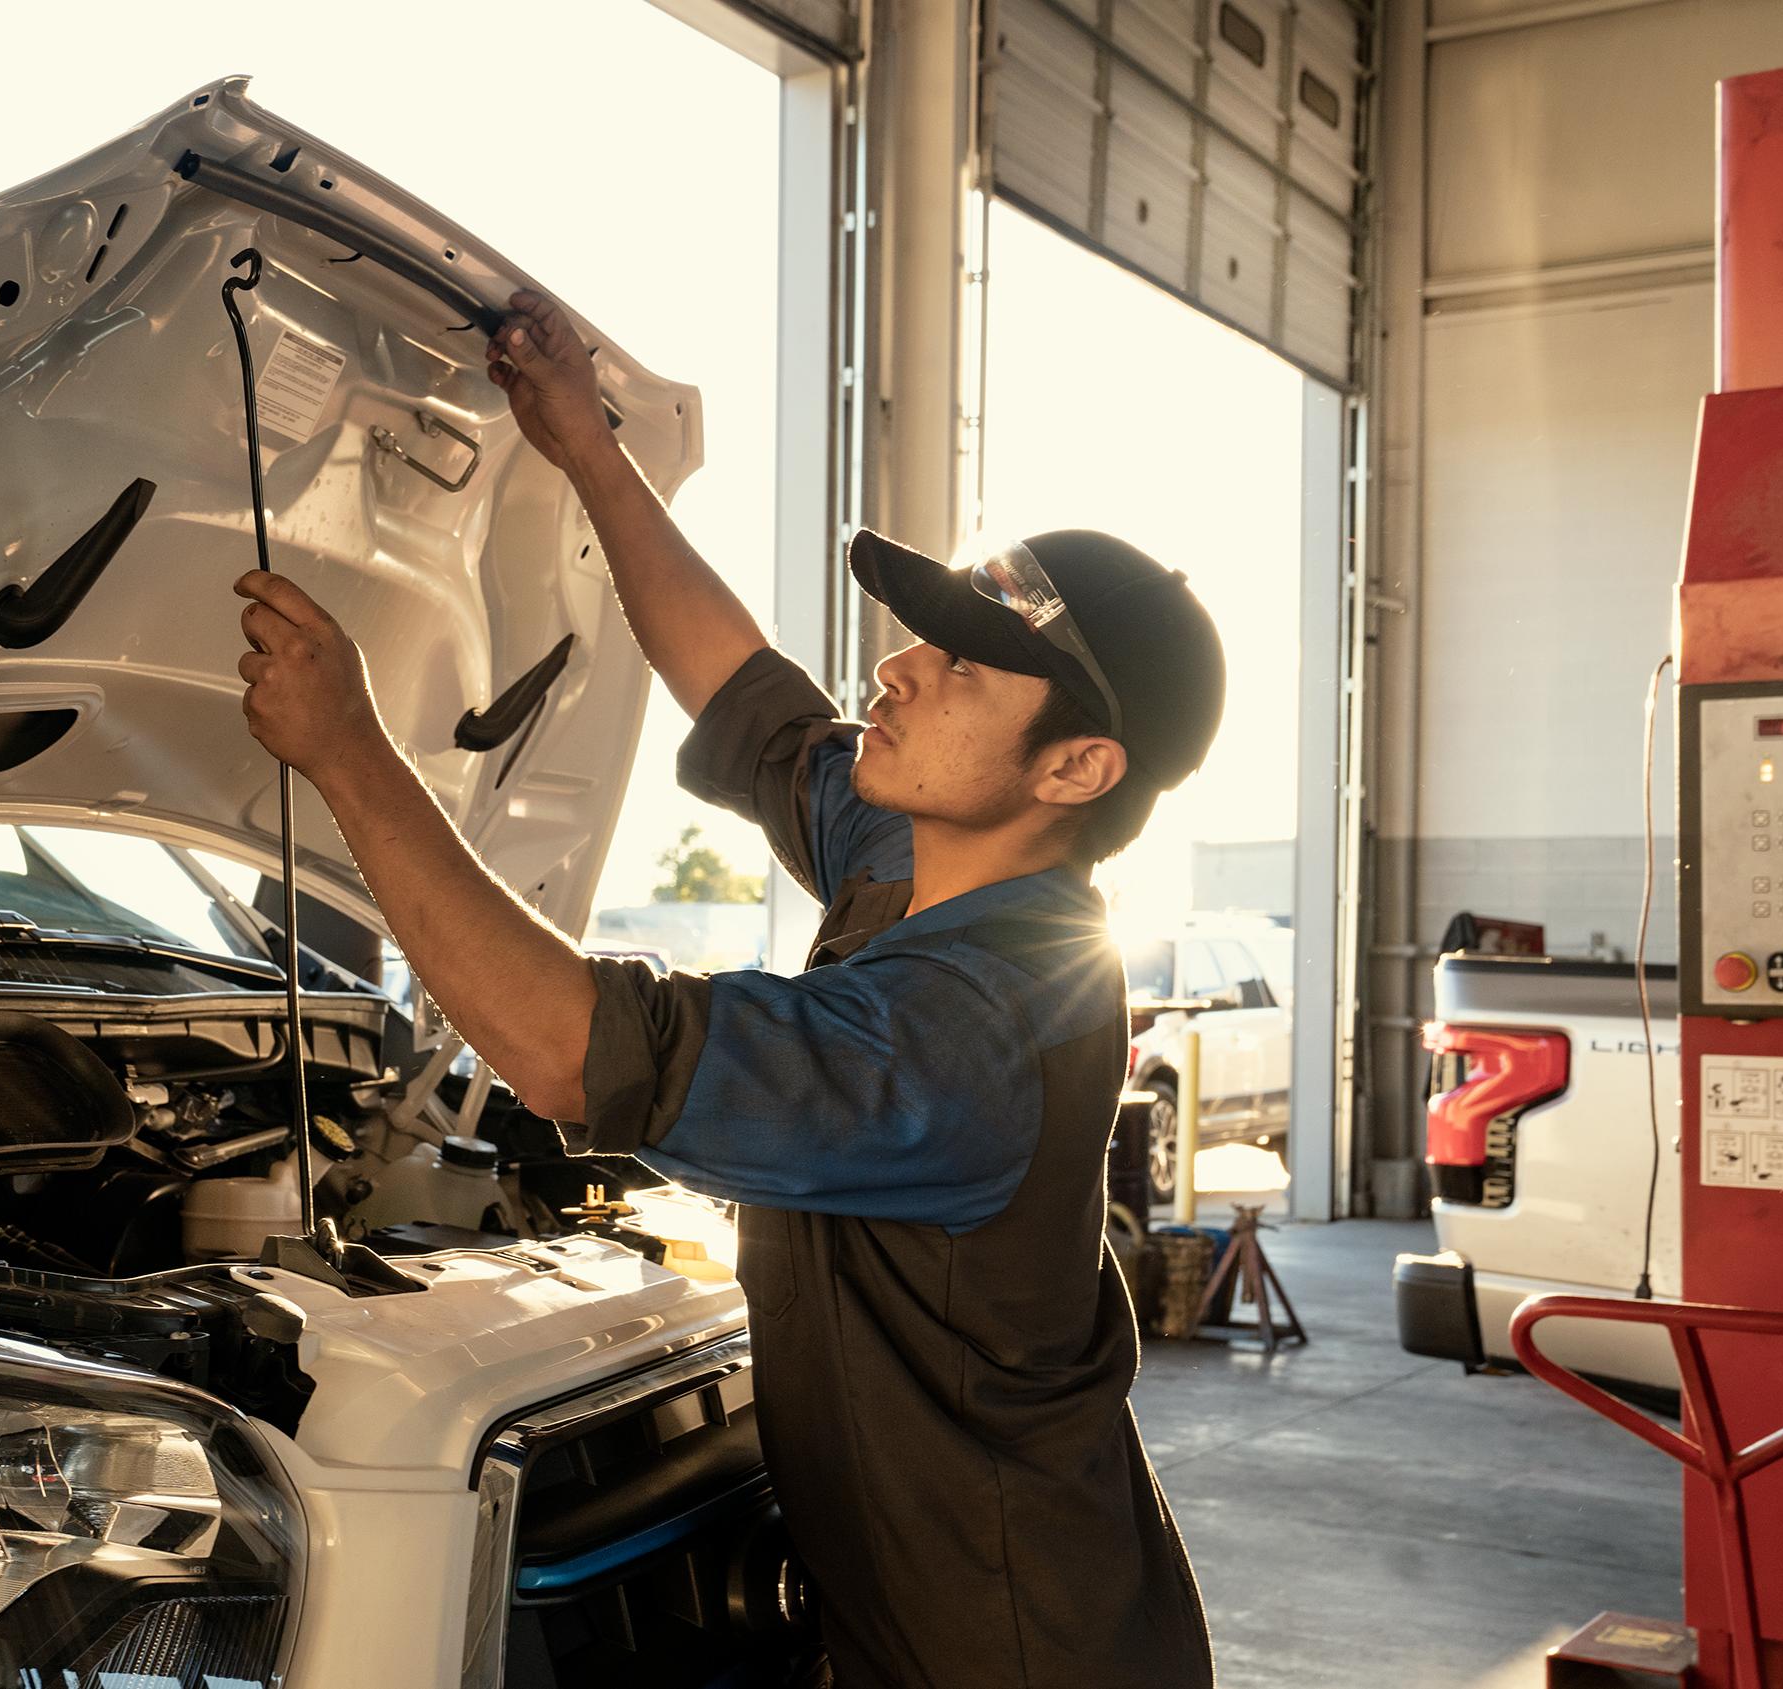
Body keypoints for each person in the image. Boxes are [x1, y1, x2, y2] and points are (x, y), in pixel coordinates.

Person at [231, 290, 1224, 1687]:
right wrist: (584, 445)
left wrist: (349, 750)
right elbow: (748, 693)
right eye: (921, 632)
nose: (897, 665)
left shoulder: (973, 1033)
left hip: (1010, 1652)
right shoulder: (926, 861)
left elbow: (587, 1051)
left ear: (1074, 770)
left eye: (956, 667)